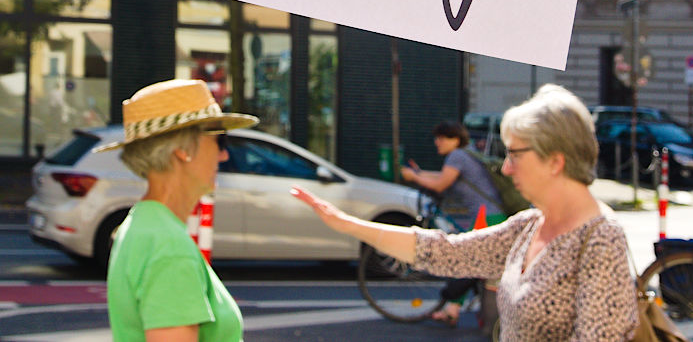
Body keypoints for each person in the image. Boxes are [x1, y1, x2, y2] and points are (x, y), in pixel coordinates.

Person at [293, 84, 638, 341]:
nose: (505, 168)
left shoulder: (601, 239)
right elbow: (446, 252)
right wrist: (348, 225)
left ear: (555, 161)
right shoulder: (530, 226)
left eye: (515, 155)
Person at [95, 78, 259, 342]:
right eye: (220, 139)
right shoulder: (168, 245)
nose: (224, 155)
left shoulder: (142, 225)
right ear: (182, 149)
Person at [399, 120, 504, 326]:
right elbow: (442, 176)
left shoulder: (457, 156)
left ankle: (461, 307)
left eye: (441, 138)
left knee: (466, 261)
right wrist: (419, 174)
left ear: (454, 139)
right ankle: (452, 309)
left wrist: (414, 176)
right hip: (488, 215)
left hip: (487, 217)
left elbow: (440, 184)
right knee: (471, 263)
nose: (436, 142)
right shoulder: (464, 155)